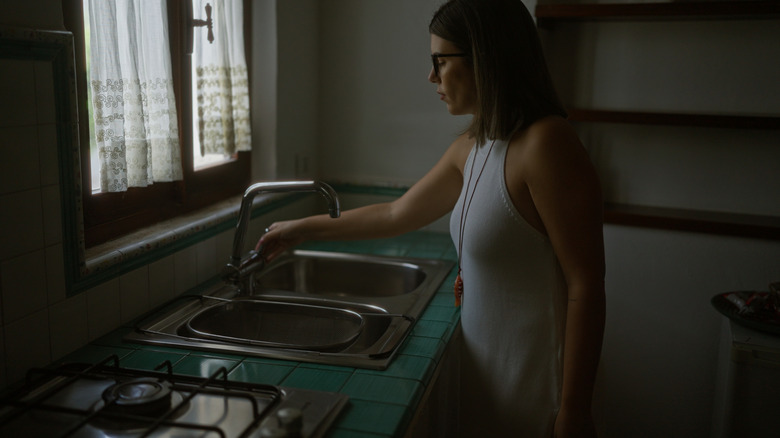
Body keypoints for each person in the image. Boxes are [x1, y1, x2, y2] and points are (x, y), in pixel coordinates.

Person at [257, 0, 605, 436]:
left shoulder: (547, 144)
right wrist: (301, 229)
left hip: (538, 388)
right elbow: (395, 213)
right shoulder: (474, 146)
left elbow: (585, 283)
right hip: (487, 379)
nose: (431, 76)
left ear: (486, 57)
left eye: (441, 60)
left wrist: (574, 409)